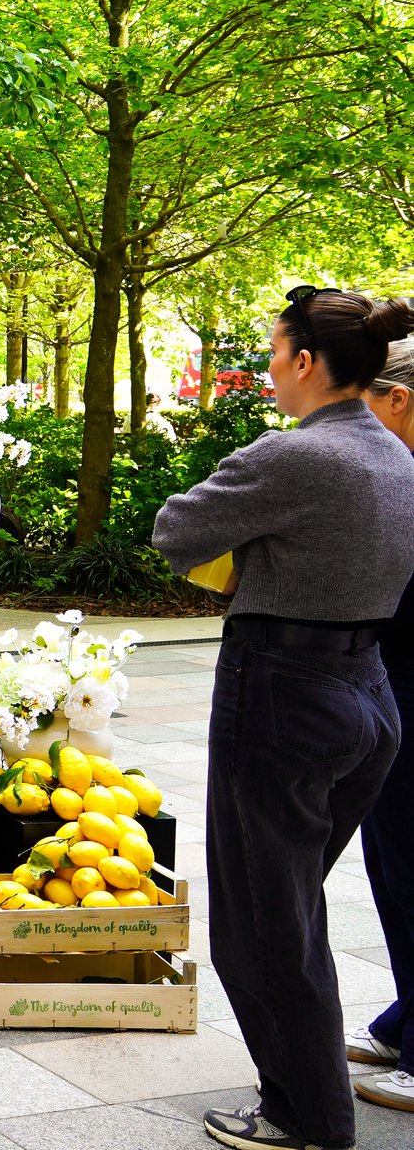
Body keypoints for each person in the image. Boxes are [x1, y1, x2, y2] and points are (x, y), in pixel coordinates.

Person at [154, 287, 414, 1150]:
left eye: (272, 352)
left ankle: (307, 1117)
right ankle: (307, 1102)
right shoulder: (396, 456)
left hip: (280, 697)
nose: (267, 368)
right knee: (288, 914)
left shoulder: (295, 454)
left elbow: (174, 529)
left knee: (263, 928)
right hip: (368, 696)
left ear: (306, 361)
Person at [351, 337, 414, 1115]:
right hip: (392, 683)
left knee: (407, 862)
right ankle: (404, 1019)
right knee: (389, 861)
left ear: (397, 400)